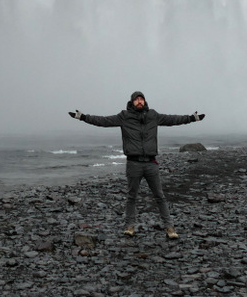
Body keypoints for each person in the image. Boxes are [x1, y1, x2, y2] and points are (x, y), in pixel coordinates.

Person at [70, 91, 205, 238]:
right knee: (131, 197)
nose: (139, 102)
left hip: (151, 163)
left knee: (159, 196)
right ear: (132, 102)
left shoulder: (153, 115)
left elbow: (173, 119)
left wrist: (192, 118)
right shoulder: (124, 117)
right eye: (137, 100)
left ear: (145, 101)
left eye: (142, 99)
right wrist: (83, 117)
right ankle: (130, 226)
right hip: (133, 163)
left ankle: (170, 228)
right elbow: (103, 121)